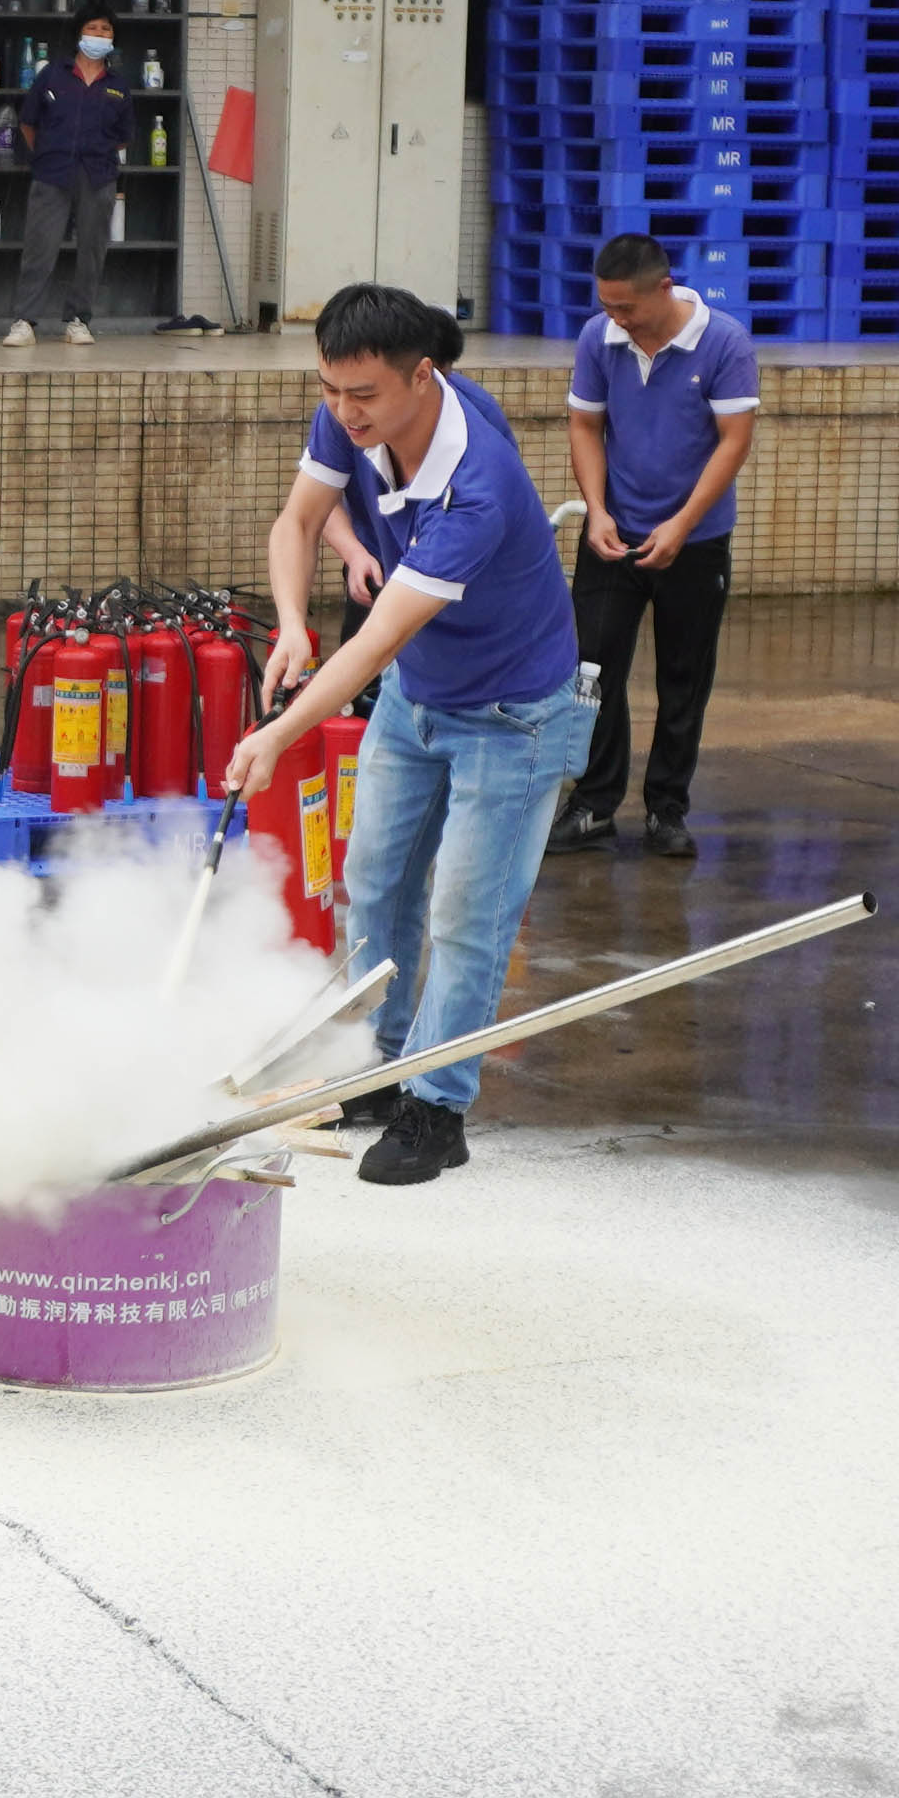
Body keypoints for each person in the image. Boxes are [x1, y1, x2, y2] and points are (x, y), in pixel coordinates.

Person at [218, 282, 597, 1191]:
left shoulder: (478, 486)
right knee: (375, 881)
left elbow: (381, 636)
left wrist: (278, 735)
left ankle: (437, 1105)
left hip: (512, 715)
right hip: (415, 698)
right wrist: (293, 624)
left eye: (364, 395)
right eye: (329, 390)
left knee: (468, 914)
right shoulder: (352, 419)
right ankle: (379, 1069)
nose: (343, 412)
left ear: (422, 377)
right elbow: (297, 520)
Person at [553, 232, 759, 862]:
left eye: (626, 307)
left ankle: (667, 809)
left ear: (664, 288)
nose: (616, 318)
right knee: (592, 670)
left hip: (695, 541)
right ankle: (593, 804)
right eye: (606, 306)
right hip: (613, 535)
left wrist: (683, 524)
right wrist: (597, 511)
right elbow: (585, 424)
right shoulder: (599, 338)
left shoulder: (724, 341)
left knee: (683, 677)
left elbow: (734, 440)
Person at [2, 18, 141, 348]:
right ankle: (24, 321)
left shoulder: (118, 86)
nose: (98, 35)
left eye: (106, 30)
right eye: (92, 28)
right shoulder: (52, 75)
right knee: (40, 247)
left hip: (98, 176)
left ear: (113, 39)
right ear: (80, 33)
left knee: (92, 250)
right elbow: (28, 122)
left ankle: (79, 320)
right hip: (52, 173)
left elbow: (124, 137)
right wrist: (47, 154)